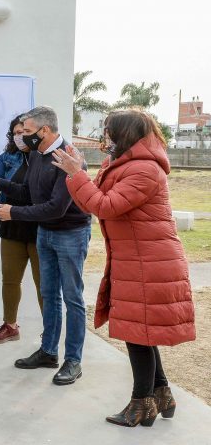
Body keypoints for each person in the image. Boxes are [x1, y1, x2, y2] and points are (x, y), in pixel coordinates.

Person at [51, 109, 195, 427]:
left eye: (108, 131)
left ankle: (141, 403)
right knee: (140, 331)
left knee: (137, 334)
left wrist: (77, 175)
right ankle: (162, 394)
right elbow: (93, 201)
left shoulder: (144, 169)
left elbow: (106, 206)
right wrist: (78, 173)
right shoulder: (124, 165)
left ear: (125, 134)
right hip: (138, 260)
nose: (105, 137)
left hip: (150, 263)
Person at [0, 106, 91, 386]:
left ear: (44, 130)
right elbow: (29, 193)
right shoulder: (37, 156)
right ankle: (48, 352)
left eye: (27, 132)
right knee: (49, 294)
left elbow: (55, 207)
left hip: (70, 234)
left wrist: (13, 213)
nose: (23, 138)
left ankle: (73, 360)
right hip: (46, 233)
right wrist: (1, 182)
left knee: (72, 298)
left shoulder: (68, 158)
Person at [0, 115, 42, 344]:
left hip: (39, 229)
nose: (20, 137)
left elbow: (33, 192)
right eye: (16, 133)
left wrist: (1, 185)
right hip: (11, 228)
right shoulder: (8, 156)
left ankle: (50, 332)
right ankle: (10, 326)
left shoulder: (44, 158)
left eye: (24, 132)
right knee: (9, 280)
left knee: (43, 285)